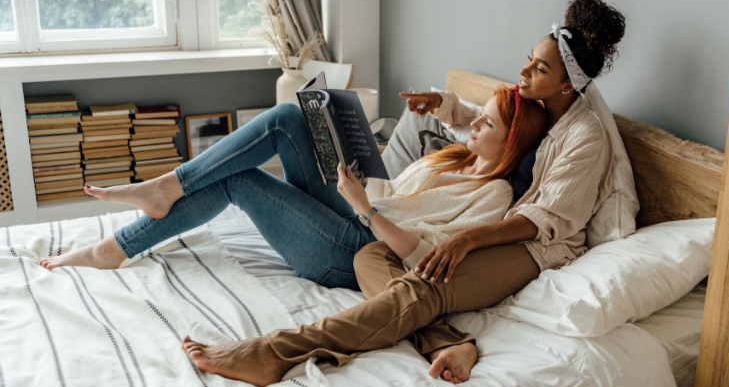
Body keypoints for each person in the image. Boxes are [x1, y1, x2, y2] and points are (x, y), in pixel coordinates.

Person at [177, 0, 627, 387]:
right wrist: (445, 105)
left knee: (423, 286)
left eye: (539, 67)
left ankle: (275, 353)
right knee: (369, 257)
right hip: (512, 229)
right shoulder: (541, 101)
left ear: (568, 82)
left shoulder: (585, 136)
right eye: (530, 57)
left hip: (536, 246)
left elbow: (543, 220)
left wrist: (465, 238)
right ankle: (450, 343)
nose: (525, 69)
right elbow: (496, 123)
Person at [40, 88, 547, 294]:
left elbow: (421, 257)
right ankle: (158, 197)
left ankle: (125, 235)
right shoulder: (453, 155)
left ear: (513, 141)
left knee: (241, 176)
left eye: (486, 122)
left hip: (359, 252)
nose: (472, 125)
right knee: (290, 116)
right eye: (476, 117)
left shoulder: (495, 198)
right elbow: (402, 183)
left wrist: (364, 207)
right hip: (355, 213)